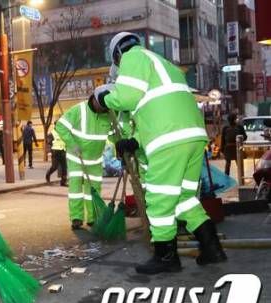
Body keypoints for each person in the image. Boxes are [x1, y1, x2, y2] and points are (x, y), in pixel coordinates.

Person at [95, 31, 226, 275]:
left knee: (158, 199)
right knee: (184, 199)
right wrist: (134, 141)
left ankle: (166, 257)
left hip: (170, 140)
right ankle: (212, 248)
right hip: (192, 138)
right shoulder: (164, 64)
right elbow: (158, 109)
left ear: (117, 53)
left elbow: (127, 97)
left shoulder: (133, 59)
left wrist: (105, 97)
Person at [56, 92, 114, 230]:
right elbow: (60, 126)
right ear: (94, 100)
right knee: (76, 189)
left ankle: (93, 218)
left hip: (95, 160)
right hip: (77, 157)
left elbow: (114, 135)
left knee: (93, 190)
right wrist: (72, 144)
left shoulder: (109, 114)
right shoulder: (79, 110)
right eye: (101, 107)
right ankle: (77, 218)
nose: (103, 110)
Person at [45, 121, 67, 186]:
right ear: (55, 125)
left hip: (63, 151)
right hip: (55, 152)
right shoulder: (51, 134)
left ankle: (63, 182)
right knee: (54, 167)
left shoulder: (63, 132)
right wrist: (49, 152)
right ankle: (47, 175)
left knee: (64, 168)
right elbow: (48, 144)